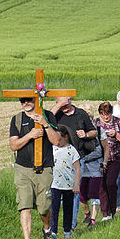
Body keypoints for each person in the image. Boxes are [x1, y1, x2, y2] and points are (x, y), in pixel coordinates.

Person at [8, 96, 63, 239]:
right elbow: (13, 145)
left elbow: (57, 141)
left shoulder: (48, 116)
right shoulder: (17, 119)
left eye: (29, 99)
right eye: (22, 100)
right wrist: (30, 135)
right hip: (22, 169)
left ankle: (47, 230)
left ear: (36, 100)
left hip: (44, 168)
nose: (25, 103)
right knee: (24, 204)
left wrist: (45, 125)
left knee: (44, 207)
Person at [51, 96, 98, 227]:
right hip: (58, 159)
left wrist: (86, 134)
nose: (63, 108)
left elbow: (94, 131)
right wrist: (58, 106)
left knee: (74, 191)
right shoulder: (57, 114)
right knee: (57, 192)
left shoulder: (80, 113)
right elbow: (46, 120)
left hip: (77, 158)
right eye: (60, 105)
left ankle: (70, 225)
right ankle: (56, 225)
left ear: (70, 101)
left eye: (65, 105)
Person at [94, 101, 120, 221]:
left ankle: (112, 209)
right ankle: (105, 213)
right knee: (101, 185)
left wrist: (116, 135)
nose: (106, 117)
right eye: (103, 114)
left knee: (110, 183)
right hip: (100, 158)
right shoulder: (96, 123)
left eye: (107, 113)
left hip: (115, 158)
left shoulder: (118, 122)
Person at [50, 127, 81, 239]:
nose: (57, 141)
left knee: (68, 208)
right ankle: (53, 231)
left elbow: (78, 168)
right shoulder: (52, 149)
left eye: (59, 138)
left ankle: (67, 231)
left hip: (68, 185)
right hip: (55, 184)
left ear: (66, 136)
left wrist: (77, 184)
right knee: (54, 208)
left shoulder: (71, 150)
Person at [78, 130, 104, 228]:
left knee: (94, 194)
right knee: (81, 195)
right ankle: (87, 213)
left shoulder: (97, 134)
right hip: (83, 168)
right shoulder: (77, 136)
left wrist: (103, 164)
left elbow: (104, 149)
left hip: (96, 167)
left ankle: (93, 220)